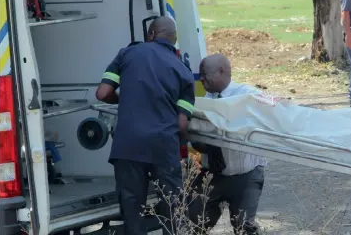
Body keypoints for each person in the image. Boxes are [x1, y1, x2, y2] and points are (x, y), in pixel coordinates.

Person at [95, 16, 195, 235]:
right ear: (173, 40)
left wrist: (126, 98)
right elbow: (181, 123)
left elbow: (103, 93)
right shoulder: (183, 70)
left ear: (151, 35)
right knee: (172, 211)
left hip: (128, 146)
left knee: (132, 213)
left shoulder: (127, 54)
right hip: (163, 146)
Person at [188, 53, 267, 235]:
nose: (200, 79)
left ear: (222, 72)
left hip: (245, 175)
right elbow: (195, 137)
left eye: (204, 73)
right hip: (214, 175)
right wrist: (203, 143)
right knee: (194, 221)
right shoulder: (203, 102)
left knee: (244, 227)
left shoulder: (248, 96)